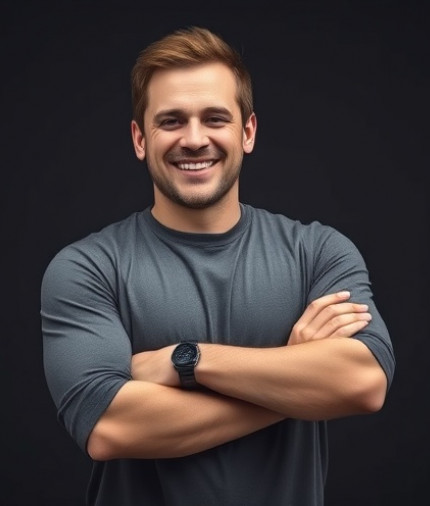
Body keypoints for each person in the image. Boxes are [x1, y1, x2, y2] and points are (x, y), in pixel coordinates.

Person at [40, 26, 395, 506]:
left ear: (246, 132)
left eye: (214, 118)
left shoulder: (317, 252)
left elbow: (363, 382)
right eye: (171, 121)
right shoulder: (88, 268)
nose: (193, 139)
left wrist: (184, 360)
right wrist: (295, 381)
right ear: (139, 138)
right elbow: (110, 426)